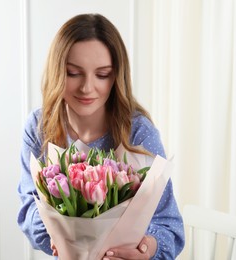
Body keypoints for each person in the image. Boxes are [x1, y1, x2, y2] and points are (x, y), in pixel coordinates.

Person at [17, 13, 185, 259]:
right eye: (73, 73)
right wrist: (56, 235)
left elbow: (170, 227)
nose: (87, 87)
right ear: (57, 72)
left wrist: (145, 250)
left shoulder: (137, 132)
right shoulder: (38, 126)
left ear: (117, 76)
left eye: (102, 74)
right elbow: (28, 209)